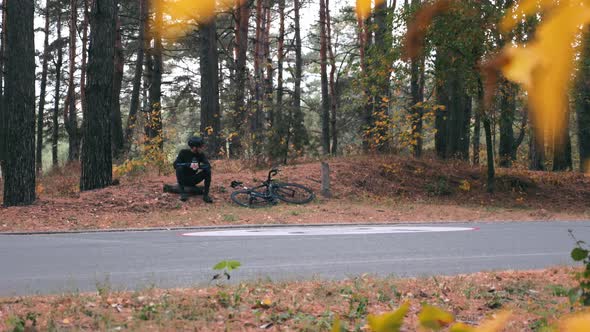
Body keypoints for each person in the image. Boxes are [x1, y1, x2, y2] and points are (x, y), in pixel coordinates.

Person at [173, 136, 213, 203]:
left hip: (193, 179)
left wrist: (198, 166)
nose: (202, 148)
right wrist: (187, 165)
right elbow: (175, 165)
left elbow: (208, 166)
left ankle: (206, 195)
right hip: (183, 180)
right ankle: (183, 193)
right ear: (195, 147)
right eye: (201, 146)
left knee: (207, 171)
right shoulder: (183, 152)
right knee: (179, 168)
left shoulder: (201, 155)